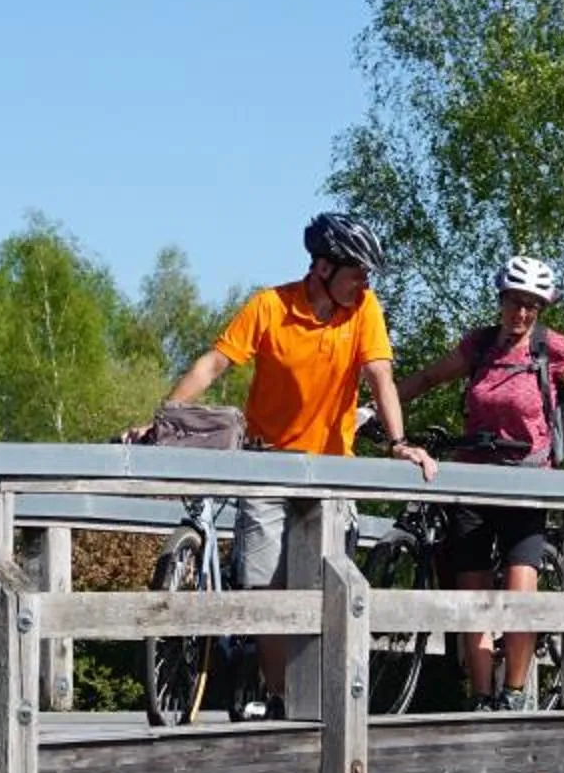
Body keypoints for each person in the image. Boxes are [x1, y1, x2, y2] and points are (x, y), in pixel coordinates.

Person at [137, 211, 435, 715]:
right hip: (269, 466)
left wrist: (399, 441)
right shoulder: (270, 307)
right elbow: (214, 364)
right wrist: (166, 419)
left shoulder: (363, 310)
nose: (365, 283)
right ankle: (282, 701)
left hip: (332, 471)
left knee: (323, 590)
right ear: (322, 267)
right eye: (357, 271)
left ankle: (317, 698)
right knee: (266, 592)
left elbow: (380, 378)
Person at [395, 252, 564, 711]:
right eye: (515, 303)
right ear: (501, 301)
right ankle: (480, 697)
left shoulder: (552, 350)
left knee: (520, 595)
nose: (521, 313)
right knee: (473, 597)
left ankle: (513, 694)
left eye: (531, 306)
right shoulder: (479, 346)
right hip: (472, 483)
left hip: (527, 484)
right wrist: (377, 410)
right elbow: (430, 377)